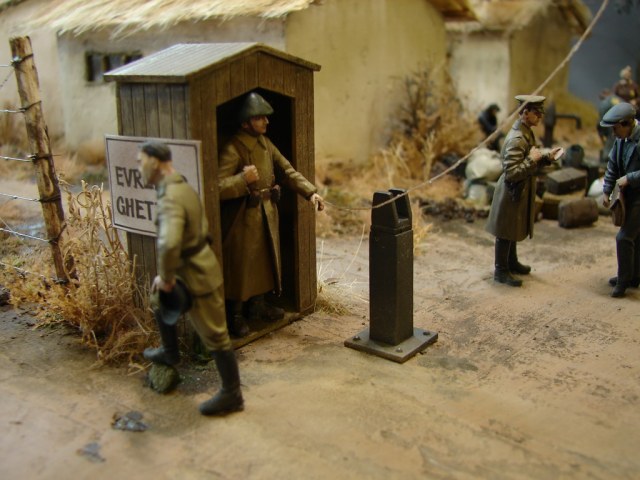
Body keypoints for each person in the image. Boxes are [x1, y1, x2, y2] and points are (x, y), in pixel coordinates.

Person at [138, 140, 244, 416]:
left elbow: (169, 243)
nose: (139, 167)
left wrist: (166, 277)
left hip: (198, 275)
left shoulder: (171, 197)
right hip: (189, 270)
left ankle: (232, 394)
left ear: (155, 162)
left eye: (141, 161)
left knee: (216, 336)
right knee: (158, 299)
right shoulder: (182, 187)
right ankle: (169, 351)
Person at [218, 92, 325, 337]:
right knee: (243, 266)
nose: (266, 121)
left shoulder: (266, 144)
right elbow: (217, 186)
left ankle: (258, 305)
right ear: (246, 123)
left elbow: (287, 171)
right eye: (259, 118)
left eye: (266, 117)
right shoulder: (234, 148)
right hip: (245, 218)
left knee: (266, 261)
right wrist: (242, 179)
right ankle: (235, 314)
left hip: (268, 213)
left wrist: (310, 193)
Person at [485, 95, 561, 287]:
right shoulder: (517, 139)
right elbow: (512, 173)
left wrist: (545, 157)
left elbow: (529, 159)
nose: (540, 116)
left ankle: (511, 262)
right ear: (525, 113)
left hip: (518, 191)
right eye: (537, 113)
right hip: (511, 191)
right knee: (505, 232)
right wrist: (532, 160)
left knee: (513, 228)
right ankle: (501, 270)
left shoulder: (526, 133)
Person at [600, 102, 640, 298]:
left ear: (626, 124)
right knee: (635, 238)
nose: (613, 133)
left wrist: (629, 178)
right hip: (628, 196)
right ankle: (633, 275)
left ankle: (623, 281)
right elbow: (613, 165)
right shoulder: (621, 140)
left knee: (623, 238)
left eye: (615, 128)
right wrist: (606, 190)